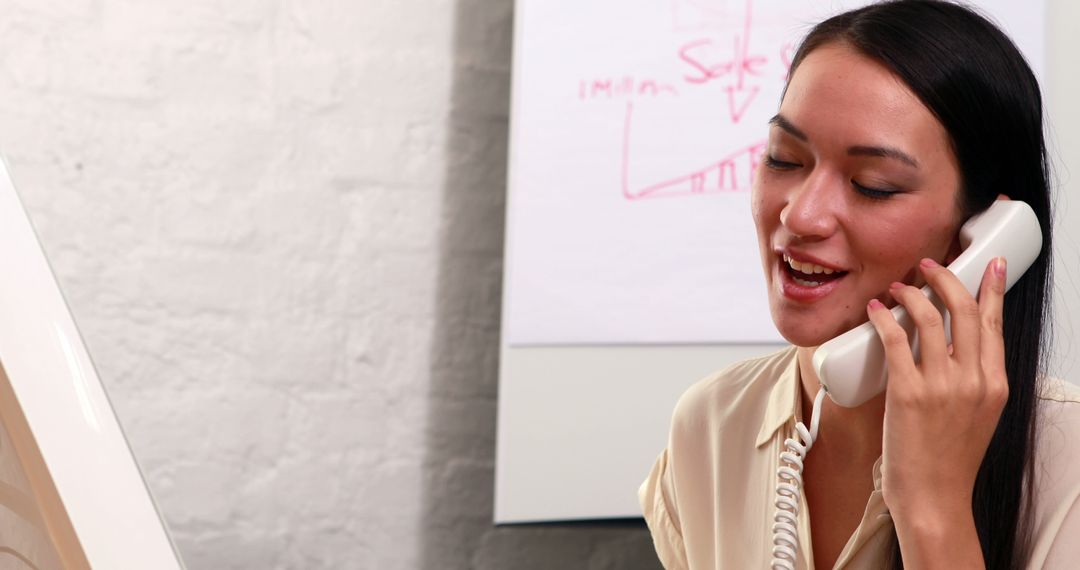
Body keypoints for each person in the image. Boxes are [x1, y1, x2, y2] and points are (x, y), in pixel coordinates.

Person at [638, 1, 1080, 568]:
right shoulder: (712, 424)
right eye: (783, 159)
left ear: (982, 235)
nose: (801, 216)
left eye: (872, 185)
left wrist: (935, 506)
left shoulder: (1064, 464)